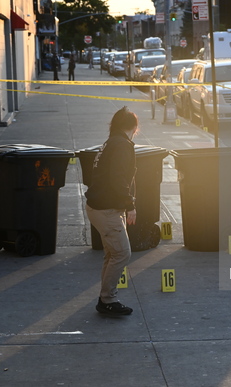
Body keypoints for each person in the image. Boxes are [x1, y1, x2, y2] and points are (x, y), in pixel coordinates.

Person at [85, 107, 138, 316]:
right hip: (106, 208)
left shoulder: (110, 143)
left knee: (112, 253)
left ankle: (106, 297)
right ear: (134, 127)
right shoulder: (122, 145)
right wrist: (130, 205)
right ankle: (107, 300)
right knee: (123, 253)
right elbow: (119, 179)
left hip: (100, 206)